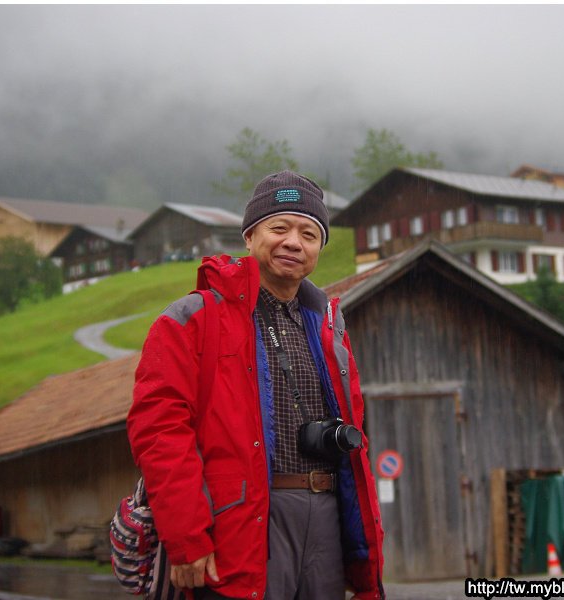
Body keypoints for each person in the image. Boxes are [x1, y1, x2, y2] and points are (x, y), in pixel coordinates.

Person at [127, 171, 384, 600]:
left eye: (309, 233)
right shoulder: (194, 317)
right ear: (249, 237)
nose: (293, 242)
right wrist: (187, 534)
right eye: (279, 228)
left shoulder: (330, 328)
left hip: (325, 517)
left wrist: (363, 554)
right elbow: (159, 431)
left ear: (319, 248)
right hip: (238, 520)